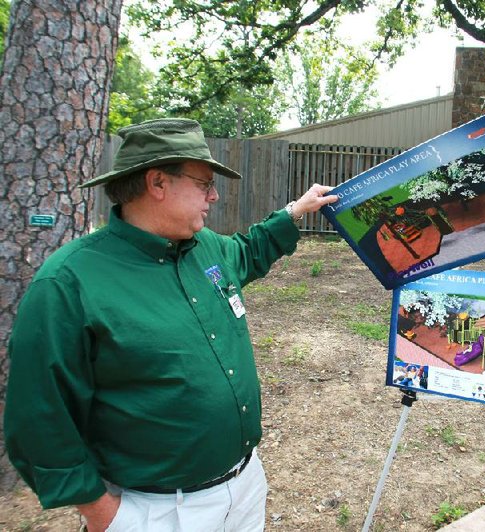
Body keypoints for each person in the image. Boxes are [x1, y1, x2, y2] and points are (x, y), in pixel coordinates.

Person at [3, 118, 338, 532]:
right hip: (157, 510)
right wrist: (104, 514)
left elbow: (249, 250)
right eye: (204, 183)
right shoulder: (69, 283)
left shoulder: (205, 247)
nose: (214, 196)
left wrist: (294, 212)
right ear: (157, 182)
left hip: (245, 485)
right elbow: (38, 416)